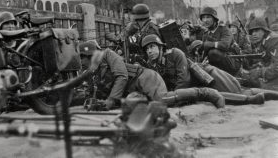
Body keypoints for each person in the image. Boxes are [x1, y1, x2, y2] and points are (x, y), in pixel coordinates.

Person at [79, 41, 226, 110]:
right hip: (133, 90)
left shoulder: (109, 55)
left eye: (90, 56)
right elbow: (90, 91)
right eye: (85, 57)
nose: (87, 60)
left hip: (145, 78)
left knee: (163, 100)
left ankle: (206, 93)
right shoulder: (91, 73)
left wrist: (111, 100)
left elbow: (122, 76)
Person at [142, 34, 278, 105]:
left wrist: (175, 96)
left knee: (240, 92)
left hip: (208, 77)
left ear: (160, 47)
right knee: (236, 94)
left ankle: (272, 94)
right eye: (147, 49)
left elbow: (184, 80)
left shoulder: (175, 54)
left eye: (152, 47)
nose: (150, 51)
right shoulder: (152, 66)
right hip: (199, 86)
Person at [199, 7, 241, 75]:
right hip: (218, 63)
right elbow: (205, 52)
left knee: (213, 53)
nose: (205, 20)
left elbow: (225, 45)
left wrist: (210, 44)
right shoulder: (205, 34)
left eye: (208, 17)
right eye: (203, 18)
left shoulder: (224, 30)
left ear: (214, 19)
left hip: (232, 61)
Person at [241, 18, 278, 91]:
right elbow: (265, 60)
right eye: (252, 32)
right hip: (272, 74)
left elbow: (276, 68)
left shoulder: (274, 41)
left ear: (264, 31)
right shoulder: (263, 42)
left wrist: (260, 72)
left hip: (275, 75)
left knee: (259, 89)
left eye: (257, 31)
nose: (254, 34)